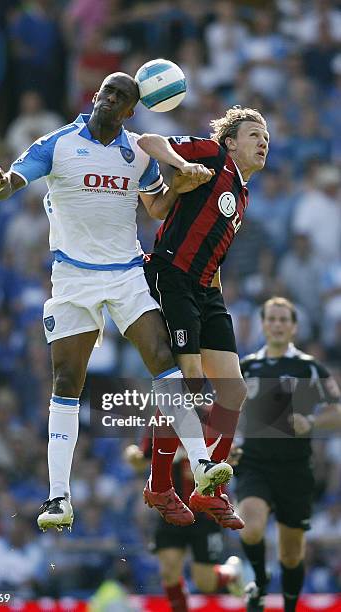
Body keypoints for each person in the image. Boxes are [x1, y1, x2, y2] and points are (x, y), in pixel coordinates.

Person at [0, 71, 233, 533]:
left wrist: (184, 180)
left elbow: (156, 207)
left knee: (162, 358)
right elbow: (10, 181)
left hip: (126, 275)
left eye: (120, 97)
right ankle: (59, 495)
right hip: (73, 278)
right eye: (106, 91)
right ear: (96, 96)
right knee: (67, 380)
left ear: (130, 110)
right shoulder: (56, 144)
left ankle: (200, 463)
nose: (108, 99)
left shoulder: (136, 152)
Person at [137, 106, 269, 529]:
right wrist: (180, 166)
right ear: (231, 141)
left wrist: (218, 303)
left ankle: (207, 489)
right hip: (172, 275)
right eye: (254, 134)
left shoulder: (243, 193)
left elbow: (212, 250)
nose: (263, 141)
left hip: (209, 292)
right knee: (189, 383)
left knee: (233, 392)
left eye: (266, 137)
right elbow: (149, 142)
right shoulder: (211, 154)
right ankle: (159, 484)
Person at [236, 297, 341, 612]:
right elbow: (225, 411)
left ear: (293, 327)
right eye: (272, 318)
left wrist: (311, 421)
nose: (278, 324)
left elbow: (337, 411)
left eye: (284, 319)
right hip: (254, 463)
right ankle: (259, 579)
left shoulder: (310, 368)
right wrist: (226, 445)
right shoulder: (246, 367)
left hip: (295, 469)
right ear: (264, 324)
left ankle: (291, 606)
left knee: (292, 554)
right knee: (251, 527)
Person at [125, 441, 244, 612]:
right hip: (170, 508)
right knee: (169, 570)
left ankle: (232, 573)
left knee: (205, 582)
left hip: (205, 515)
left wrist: (207, 473)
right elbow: (142, 458)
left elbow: (232, 457)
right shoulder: (165, 420)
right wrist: (134, 456)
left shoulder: (211, 420)